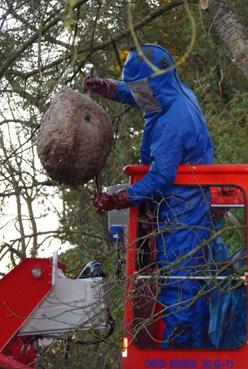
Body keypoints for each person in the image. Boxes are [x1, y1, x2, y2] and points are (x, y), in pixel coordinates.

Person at [84, 44, 214, 348]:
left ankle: (176, 358)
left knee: (180, 293)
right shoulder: (172, 94)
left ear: (154, 83)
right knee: (185, 289)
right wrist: (108, 88)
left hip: (183, 214)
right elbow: (140, 98)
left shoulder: (174, 120)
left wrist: (120, 199)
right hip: (181, 207)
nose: (139, 94)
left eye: (140, 87)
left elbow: (159, 177)